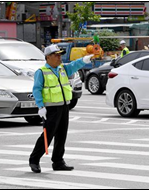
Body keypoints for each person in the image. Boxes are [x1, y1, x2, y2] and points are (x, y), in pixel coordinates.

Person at [29, 44, 93, 173]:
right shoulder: (41, 72)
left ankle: (58, 161)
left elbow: (73, 66)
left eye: (60, 55)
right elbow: (37, 90)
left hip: (64, 107)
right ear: (48, 57)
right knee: (48, 135)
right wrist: (40, 106)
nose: (59, 58)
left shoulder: (62, 69)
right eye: (56, 55)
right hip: (51, 109)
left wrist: (84, 60)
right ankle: (34, 160)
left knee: (62, 135)